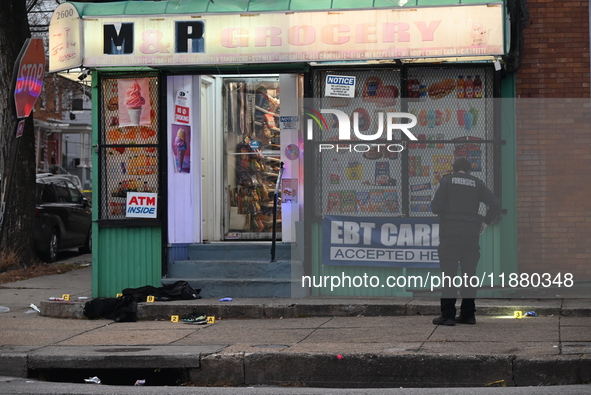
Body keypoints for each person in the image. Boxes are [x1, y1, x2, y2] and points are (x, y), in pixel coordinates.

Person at [430, 157, 501, 326]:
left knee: (449, 275)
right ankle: (468, 315)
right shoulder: (476, 183)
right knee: (469, 275)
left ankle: (447, 316)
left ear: (455, 170)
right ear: (469, 171)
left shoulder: (447, 181)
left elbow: (436, 208)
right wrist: (485, 222)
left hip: (451, 233)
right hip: (470, 234)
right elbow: (495, 204)